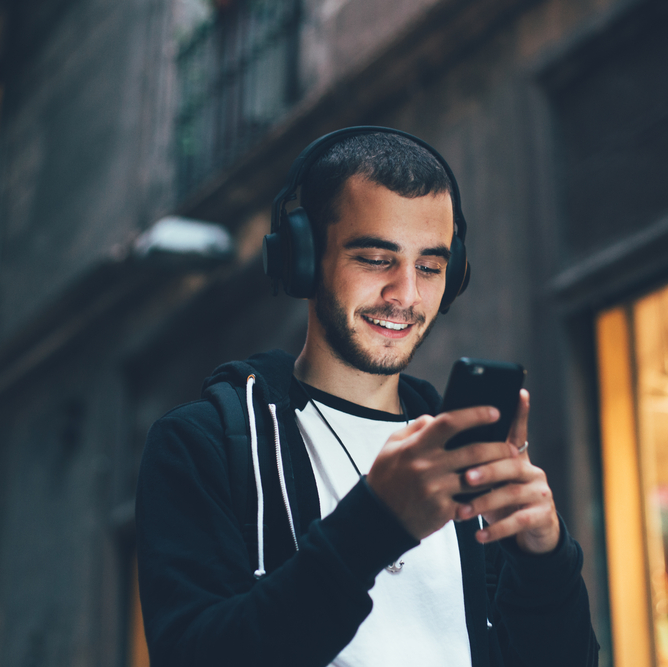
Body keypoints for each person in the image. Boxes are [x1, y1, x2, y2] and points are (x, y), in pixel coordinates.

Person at [136, 127, 599, 666]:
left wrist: (546, 558)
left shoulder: (458, 452)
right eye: (377, 259)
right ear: (303, 259)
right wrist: (376, 524)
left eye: (430, 267)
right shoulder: (203, 443)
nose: (406, 294)